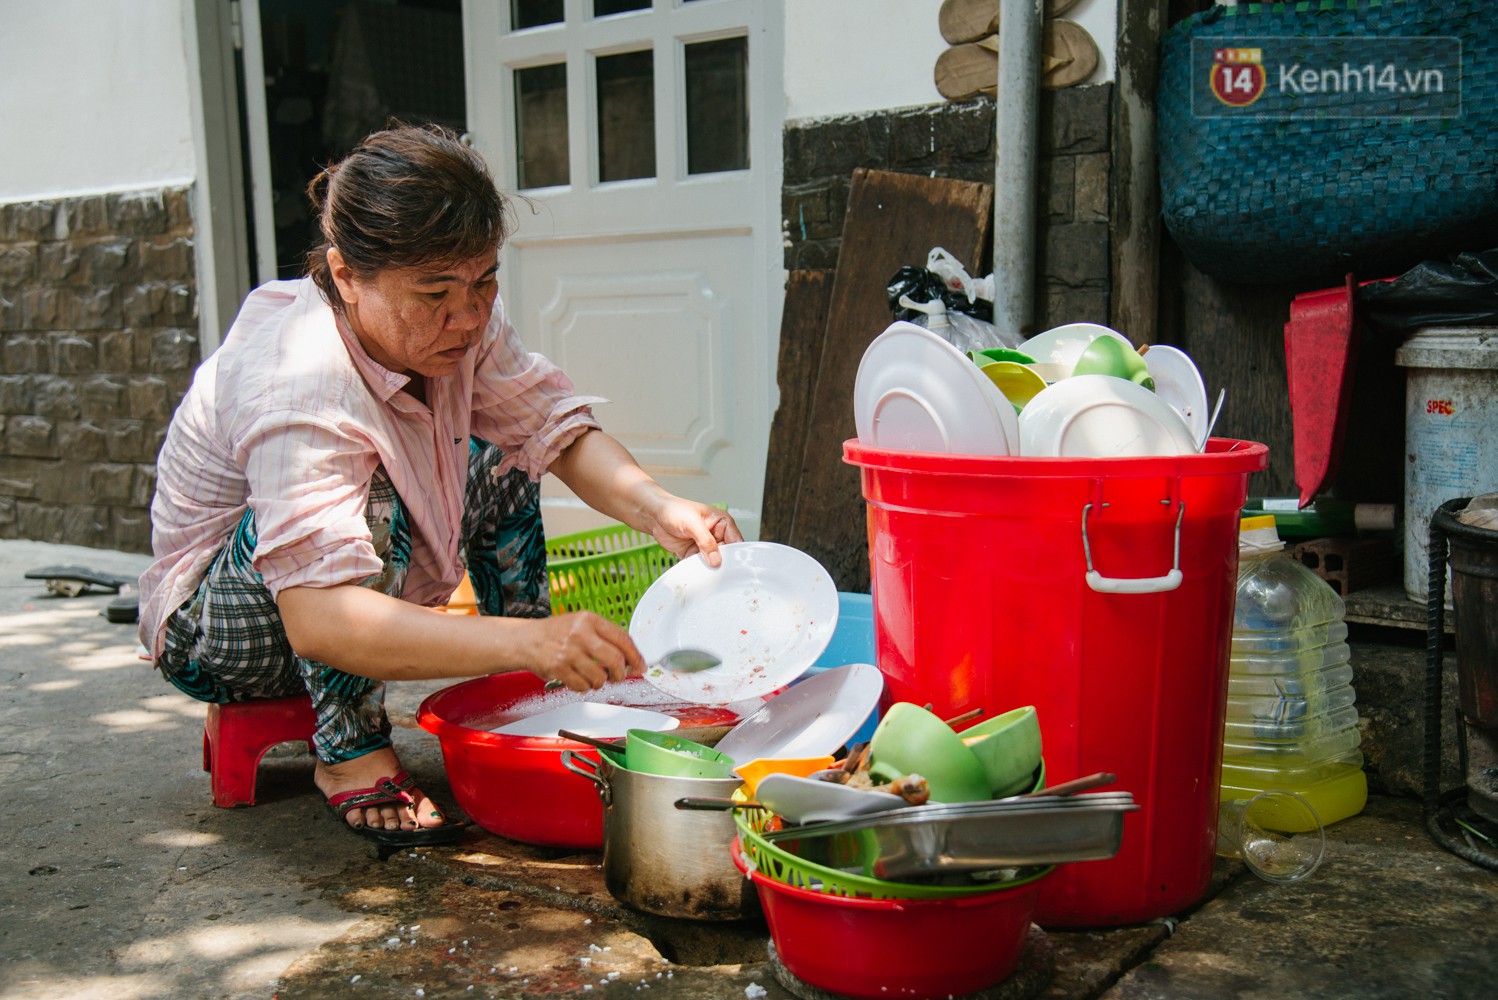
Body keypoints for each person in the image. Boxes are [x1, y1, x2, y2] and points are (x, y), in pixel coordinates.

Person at [138, 123, 741, 847]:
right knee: (376, 494)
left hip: (332, 594)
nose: (469, 316)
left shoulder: (462, 319)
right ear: (347, 275)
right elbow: (319, 618)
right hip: (223, 632)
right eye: (434, 294)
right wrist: (532, 639)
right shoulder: (295, 380)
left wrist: (658, 508)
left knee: (504, 449)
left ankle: (537, 688)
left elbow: (550, 424)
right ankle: (349, 749)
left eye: (484, 281)